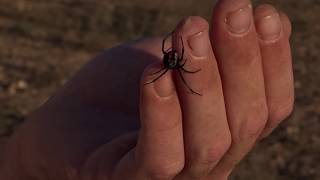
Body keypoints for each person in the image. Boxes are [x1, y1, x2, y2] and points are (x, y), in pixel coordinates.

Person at [0, 0, 294, 179]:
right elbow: (175, 63)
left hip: (172, 61)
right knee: (179, 76)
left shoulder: (169, 62)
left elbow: (177, 60)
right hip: (171, 63)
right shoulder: (169, 66)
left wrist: (19, 163)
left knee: (182, 75)